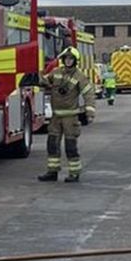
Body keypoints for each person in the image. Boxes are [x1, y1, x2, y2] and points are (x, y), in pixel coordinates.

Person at [38, 46, 96, 183]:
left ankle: (74, 173)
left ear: (75, 61)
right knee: (52, 144)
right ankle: (52, 172)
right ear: (63, 59)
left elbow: (89, 93)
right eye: (66, 58)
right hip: (55, 117)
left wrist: (90, 112)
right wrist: (37, 77)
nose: (68, 61)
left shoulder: (80, 76)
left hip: (71, 117)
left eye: (71, 59)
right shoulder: (56, 72)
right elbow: (45, 81)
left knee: (70, 146)